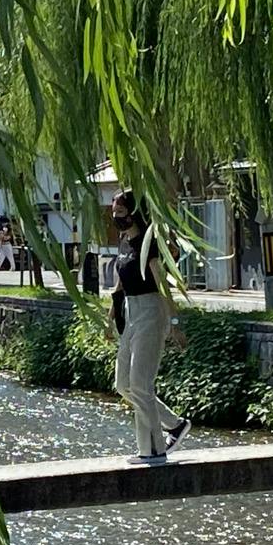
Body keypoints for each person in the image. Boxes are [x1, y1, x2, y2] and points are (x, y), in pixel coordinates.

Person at [111, 189, 190, 462]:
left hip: (151, 311)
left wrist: (175, 324)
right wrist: (110, 316)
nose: (115, 217)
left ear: (133, 213)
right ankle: (175, 425)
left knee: (141, 384)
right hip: (130, 312)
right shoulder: (124, 243)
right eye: (114, 212)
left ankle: (154, 451)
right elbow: (119, 284)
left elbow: (163, 287)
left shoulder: (149, 245)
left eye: (120, 212)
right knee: (124, 384)